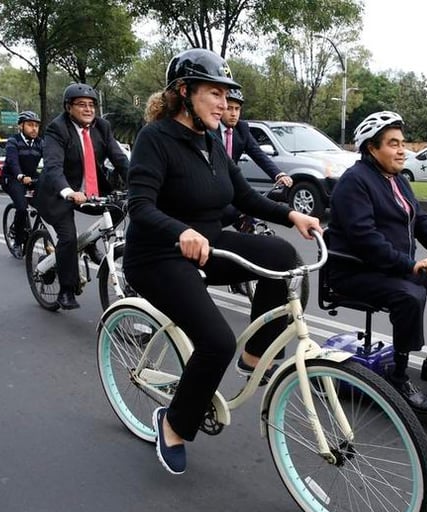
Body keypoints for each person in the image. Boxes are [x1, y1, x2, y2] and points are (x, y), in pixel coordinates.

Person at [124, 48, 321, 475]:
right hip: (157, 255)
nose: (223, 103)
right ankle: (173, 425)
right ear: (184, 92)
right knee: (215, 341)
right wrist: (180, 230)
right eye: (214, 93)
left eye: (227, 95)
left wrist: (292, 215)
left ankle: (253, 355)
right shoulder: (154, 138)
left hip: (208, 246)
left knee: (284, 258)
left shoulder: (212, 140)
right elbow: (138, 205)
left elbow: (243, 197)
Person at [327, 111, 427, 413]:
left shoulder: (397, 180)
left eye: (402, 143)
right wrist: (411, 265)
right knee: (410, 295)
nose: (402, 150)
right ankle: (397, 376)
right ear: (372, 148)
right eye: (393, 144)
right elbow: (365, 239)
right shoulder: (354, 182)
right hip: (354, 270)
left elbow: (420, 221)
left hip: (390, 267)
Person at [36, 83, 130, 310]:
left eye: (91, 105)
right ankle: (66, 290)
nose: (88, 109)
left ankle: (89, 243)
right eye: (81, 105)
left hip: (91, 189)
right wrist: (68, 192)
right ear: (68, 107)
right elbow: (53, 167)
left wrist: (142, 183)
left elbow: (120, 159)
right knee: (68, 238)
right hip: (59, 193)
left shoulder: (102, 127)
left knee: (122, 207)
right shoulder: (57, 129)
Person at [216, 88, 293, 228]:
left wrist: (278, 174)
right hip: (213, 185)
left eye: (237, 109)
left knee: (249, 221)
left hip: (232, 183)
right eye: (229, 108)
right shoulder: (209, 128)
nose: (234, 114)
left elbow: (258, 154)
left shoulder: (242, 129)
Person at [2, 110, 43, 258]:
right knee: (21, 208)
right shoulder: (13, 141)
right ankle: (18, 242)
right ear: (21, 126)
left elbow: (49, 161)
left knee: (47, 204)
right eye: (30, 125)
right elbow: (12, 161)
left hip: (32, 178)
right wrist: (20, 175)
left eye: (36, 126)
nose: (34, 129)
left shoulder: (40, 143)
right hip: (13, 178)